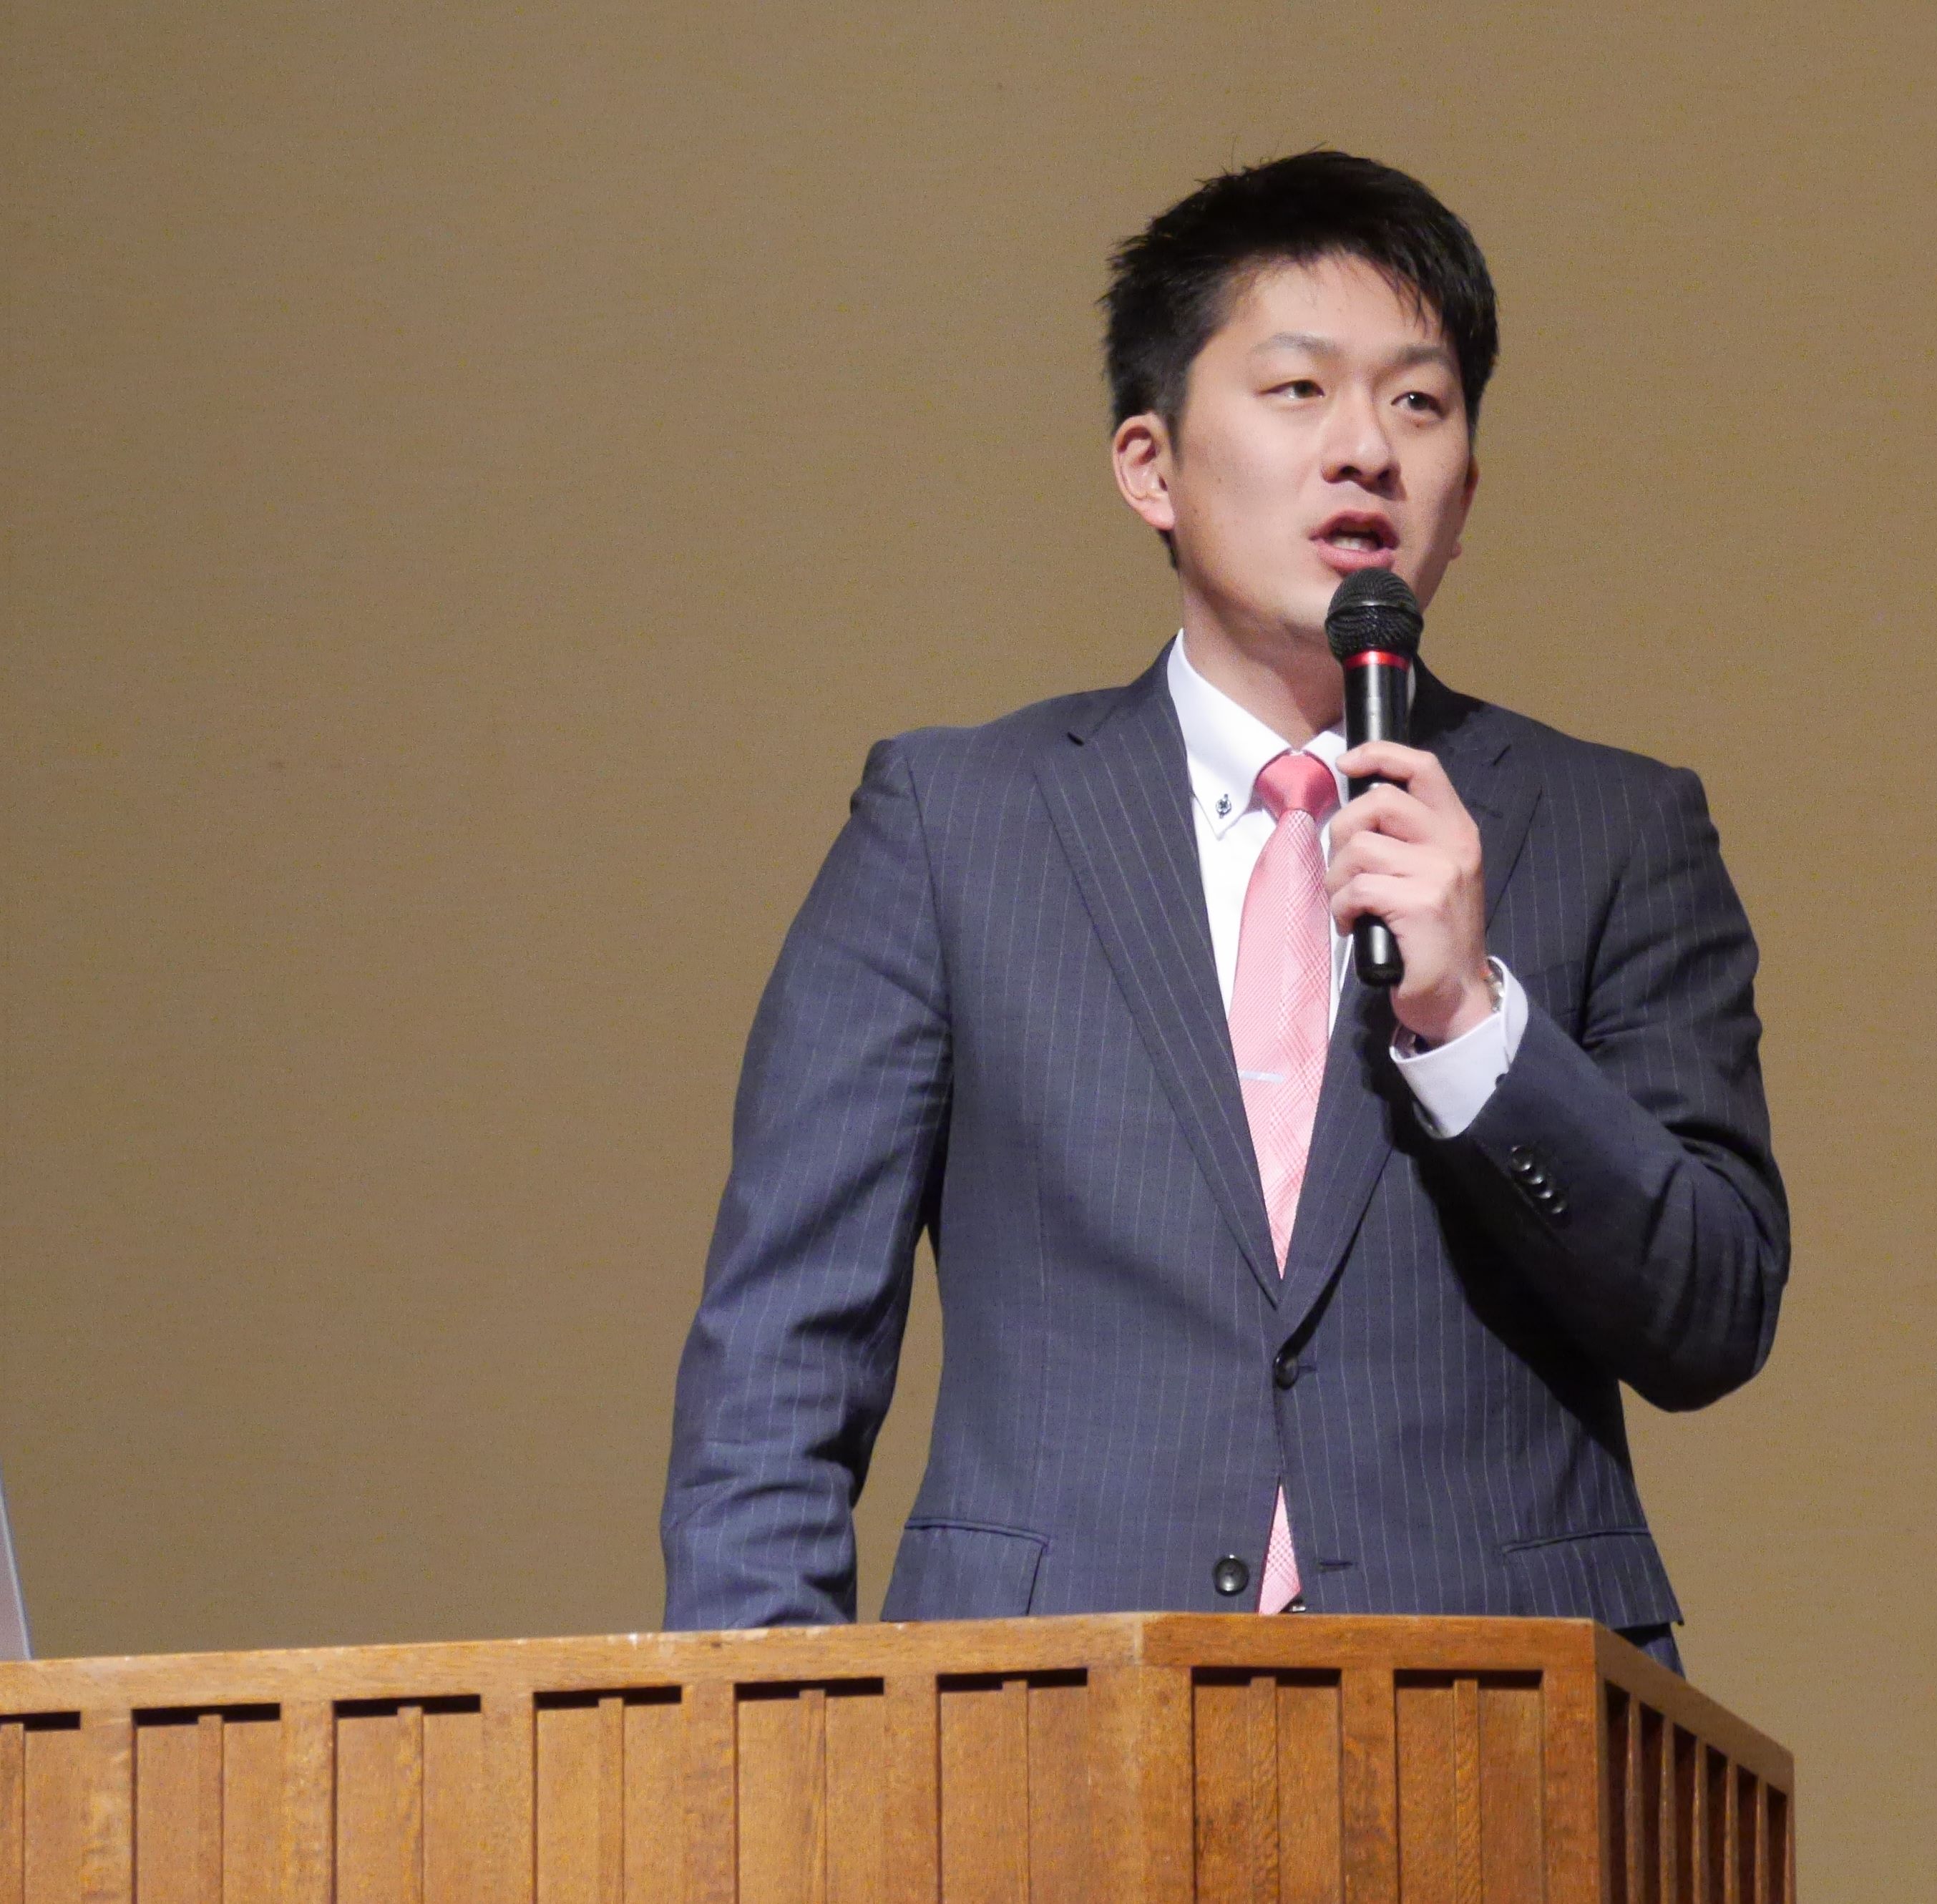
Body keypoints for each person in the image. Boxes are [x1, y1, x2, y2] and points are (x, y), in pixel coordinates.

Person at [660, 152, 1789, 1671]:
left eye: (1418, 403)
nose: (1364, 451)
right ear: (1150, 465)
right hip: (1043, 1704)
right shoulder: (954, 823)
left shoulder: (1616, 827)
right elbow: (782, 1350)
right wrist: (763, 1741)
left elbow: (1711, 1312)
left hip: (1499, 1716)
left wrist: (1473, 1024)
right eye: (1297, 390)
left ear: (1464, 496)